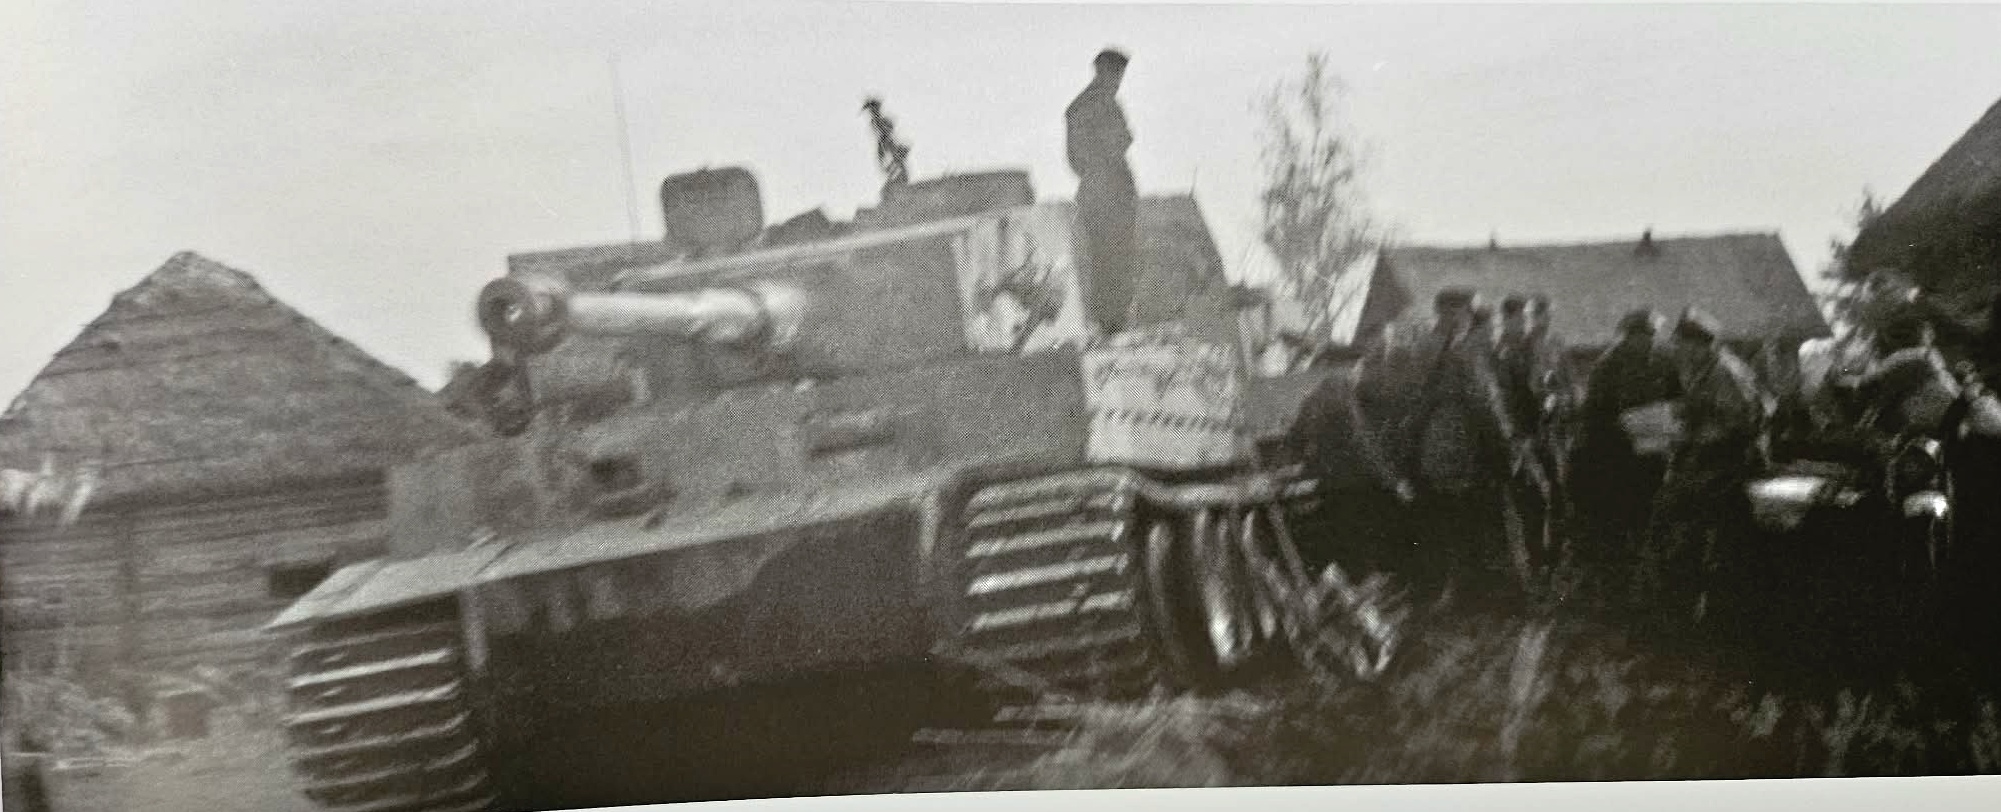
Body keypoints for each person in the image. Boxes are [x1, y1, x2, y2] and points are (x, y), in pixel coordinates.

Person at [1380, 288, 1529, 604]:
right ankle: (1490, 593)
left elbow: (1399, 402)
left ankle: (1453, 590)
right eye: (1467, 313)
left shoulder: (1415, 349)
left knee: (1444, 526)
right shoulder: (1460, 352)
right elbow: (1484, 403)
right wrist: (1504, 448)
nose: (1470, 320)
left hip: (1425, 452)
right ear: (1453, 312)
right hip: (1461, 448)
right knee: (1482, 523)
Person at [1639, 308, 1768, 632]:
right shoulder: (1707, 369)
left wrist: (1698, 424)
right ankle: (1680, 602)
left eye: (1683, 345)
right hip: (1707, 460)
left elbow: (1745, 420)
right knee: (1671, 520)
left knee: (1678, 522)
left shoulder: (1724, 371)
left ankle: (1681, 609)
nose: (1679, 352)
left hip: (1726, 465)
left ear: (1699, 345)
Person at [1569, 309, 1680, 608]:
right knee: (1616, 526)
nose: (1649, 341)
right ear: (1628, 336)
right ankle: (1613, 592)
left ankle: (1643, 588)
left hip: (1652, 456)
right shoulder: (1607, 367)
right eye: (1643, 335)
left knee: (1647, 522)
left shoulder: (1662, 362)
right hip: (1614, 461)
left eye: (1652, 335)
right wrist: (1625, 428)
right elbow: (1593, 418)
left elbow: (1675, 398)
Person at [1286, 368, 1417, 575]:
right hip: (1353, 483)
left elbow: (1294, 442)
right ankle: (1369, 577)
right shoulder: (1347, 402)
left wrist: (1301, 471)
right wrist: (1395, 482)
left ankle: (1353, 577)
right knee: (1362, 534)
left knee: (1342, 536)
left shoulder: (1312, 401)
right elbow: (1368, 448)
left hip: (1327, 484)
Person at [1066, 48, 1140, 336]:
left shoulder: (1077, 107)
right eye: (1116, 75)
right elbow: (1123, 141)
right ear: (1105, 72)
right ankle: (1114, 324)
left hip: (1096, 192)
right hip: (1111, 192)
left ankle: (1108, 323)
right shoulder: (1104, 104)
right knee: (1116, 261)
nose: (1118, 82)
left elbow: (1075, 160)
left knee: (1102, 261)